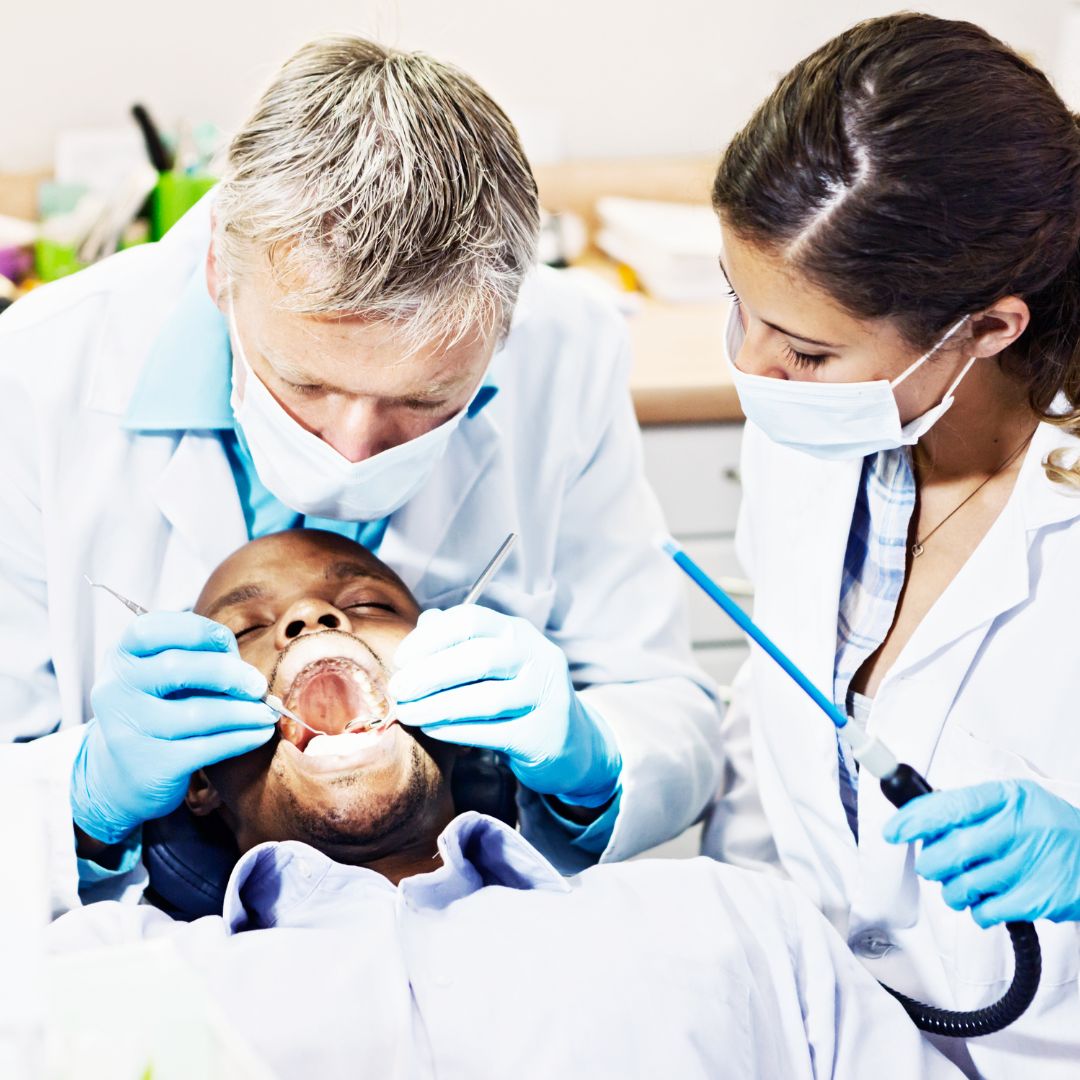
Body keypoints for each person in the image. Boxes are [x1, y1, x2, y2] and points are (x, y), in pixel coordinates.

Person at [0, 35, 720, 894]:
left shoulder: (564, 349)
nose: (349, 448)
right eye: (304, 383)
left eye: (422, 403)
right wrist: (81, 795)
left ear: (504, 321)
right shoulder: (39, 380)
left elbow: (666, 708)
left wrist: (591, 756)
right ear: (220, 265)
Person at [31, 529, 956, 1079]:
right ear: (195, 777)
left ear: (456, 694)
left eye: (365, 603)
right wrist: (80, 808)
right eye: (245, 628)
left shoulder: (730, 920)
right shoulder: (92, 982)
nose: (314, 623)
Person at [703, 13, 1080, 1077]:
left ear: (990, 328)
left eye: (810, 350)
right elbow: (768, 740)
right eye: (742, 308)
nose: (754, 370)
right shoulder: (827, 428)